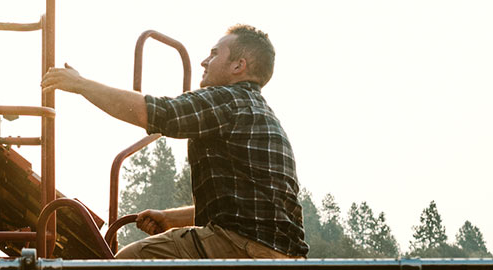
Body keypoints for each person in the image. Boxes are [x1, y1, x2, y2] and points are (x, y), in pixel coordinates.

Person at [41, 24, 305, 259]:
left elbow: (162, 113)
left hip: (242, 247)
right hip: (281, 255)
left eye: (214, 54)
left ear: (239, 66)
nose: (204, 61)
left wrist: (81, 85)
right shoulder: (261, 113)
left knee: (130, 259)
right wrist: (170, 218)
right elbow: (241, 208)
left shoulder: (229, 99)